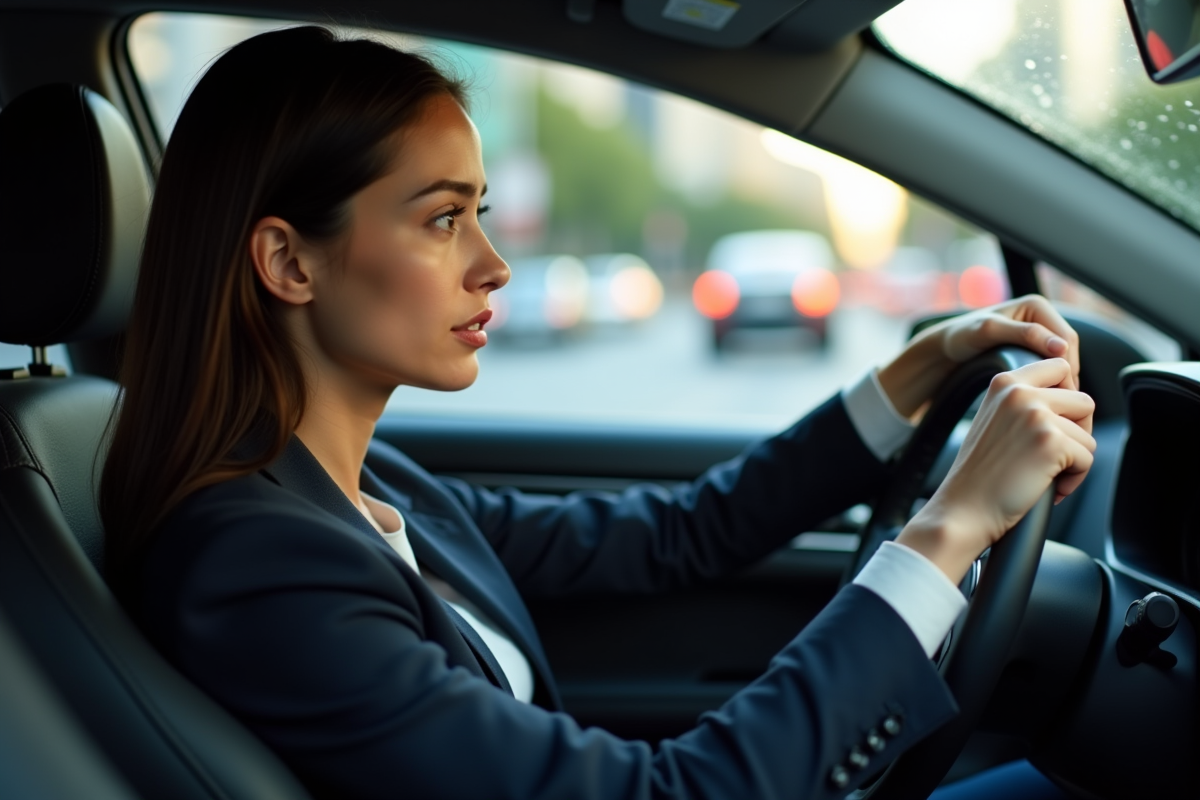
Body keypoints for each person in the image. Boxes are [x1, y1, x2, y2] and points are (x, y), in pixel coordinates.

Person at [100, 26, 1094, 800]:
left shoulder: (364, 488)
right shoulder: (257, 563)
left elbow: (678, 532)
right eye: (444, 218)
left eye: (482, 211)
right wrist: (949, 528)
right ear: (288, 261)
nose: (494, 264)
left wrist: (920, 370)